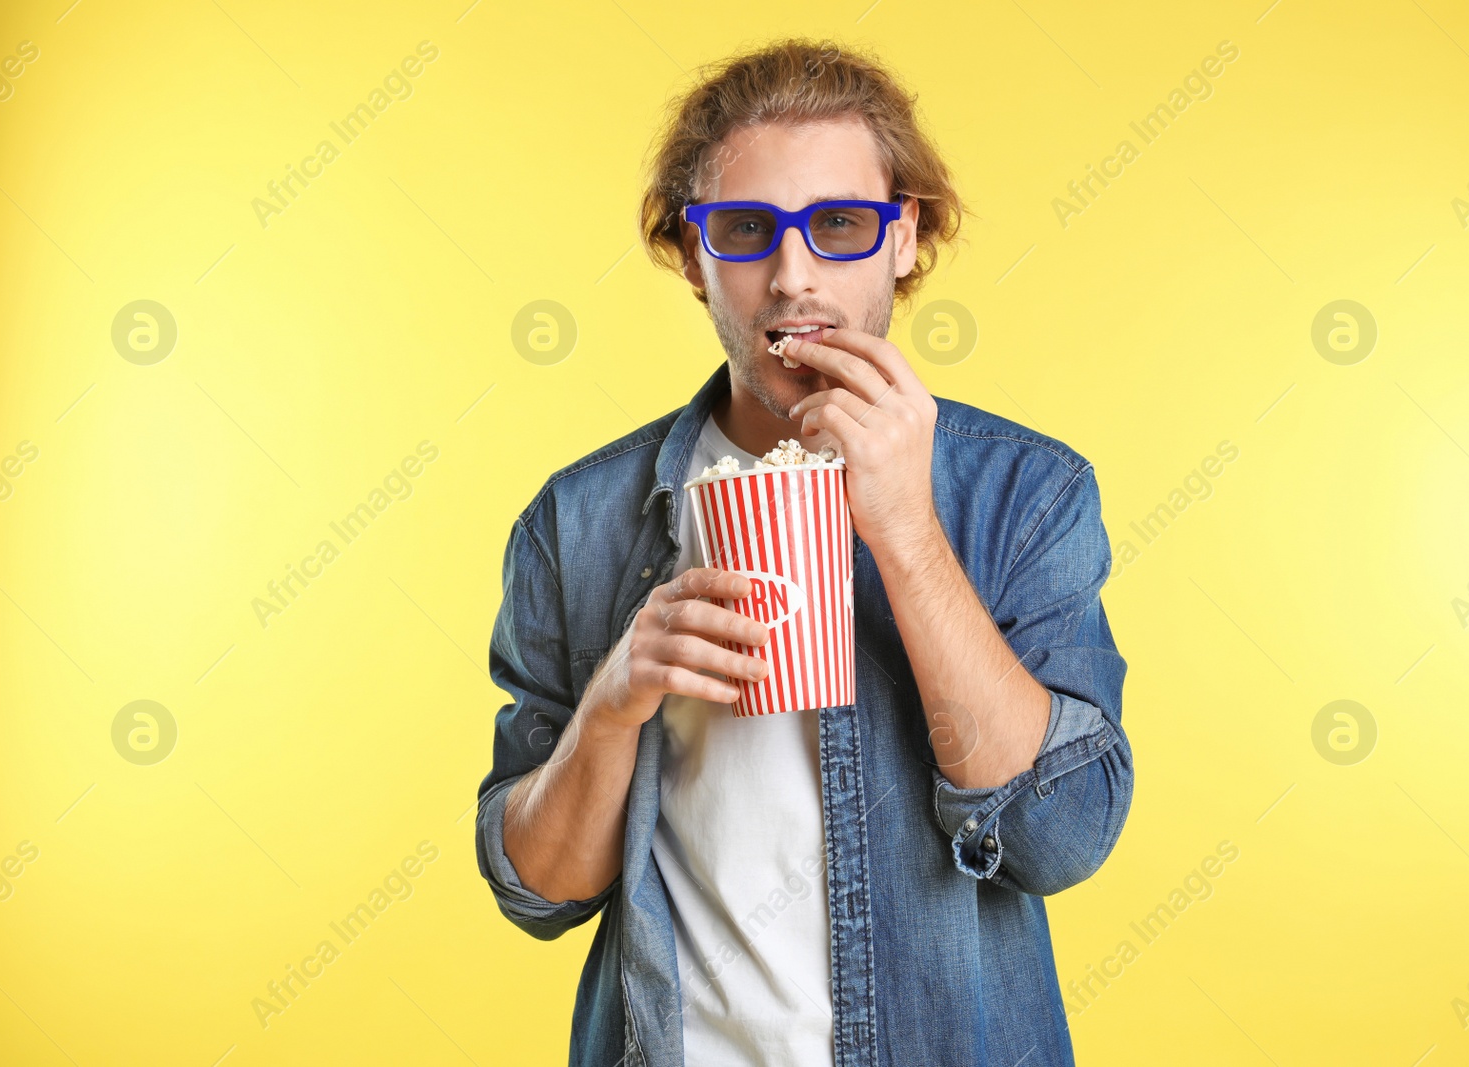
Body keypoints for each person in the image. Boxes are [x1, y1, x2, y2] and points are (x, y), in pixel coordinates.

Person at [475, 38, 1133, 1067]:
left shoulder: (1023, 493)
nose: (791, 278)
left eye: (837, 225)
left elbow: (1062, 837)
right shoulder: (580, 522)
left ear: (903, 237)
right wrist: (611, 705)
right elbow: (539, 888)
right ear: (694, 257)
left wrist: (908, 531)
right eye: (744, 231)